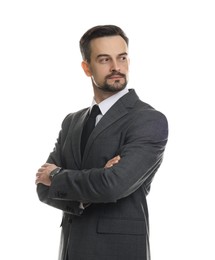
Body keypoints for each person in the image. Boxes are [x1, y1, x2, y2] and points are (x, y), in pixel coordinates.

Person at [35, 24, 168, 260]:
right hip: (70, 250)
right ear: (87, 67)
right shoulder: (71, 122)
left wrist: (57, 176)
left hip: (118, 252)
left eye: (122, 58)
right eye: (105, 59)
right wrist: (91, 188)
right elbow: (42, 189)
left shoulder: (148, 120)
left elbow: (112, 185)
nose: (116, 67)